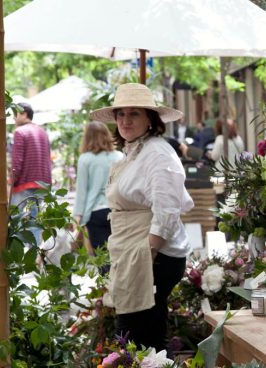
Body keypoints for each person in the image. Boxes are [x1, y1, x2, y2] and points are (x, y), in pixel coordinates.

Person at [89, 83, 194, 351]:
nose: (125, 120)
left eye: (134, 113)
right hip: (136, 249)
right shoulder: (137, 151)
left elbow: (167, 206)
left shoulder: (157, 152)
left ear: (150, 119)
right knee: (143, 336)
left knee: (133, 336)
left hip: (154, 253)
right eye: (121, 114)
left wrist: (150, 249)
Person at [73, 121, 124, 255]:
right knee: (120, 255)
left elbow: (82, 191)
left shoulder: (85, 159)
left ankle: (106, 276)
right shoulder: (119, 156)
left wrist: (77, 217)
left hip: (95, 212)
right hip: (119, 210)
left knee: (102, 256)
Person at [10, 102, 52, 246]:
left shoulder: (20, 132)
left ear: (24, 114)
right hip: (42, 184)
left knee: (17, 221)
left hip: (23, 184)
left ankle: (20, 256)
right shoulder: (42, 132)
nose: (14, 118)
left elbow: (17, 161)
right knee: (35, 221)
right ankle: (34, 256)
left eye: (16, 114)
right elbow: (48, 159)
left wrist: (12, 181)